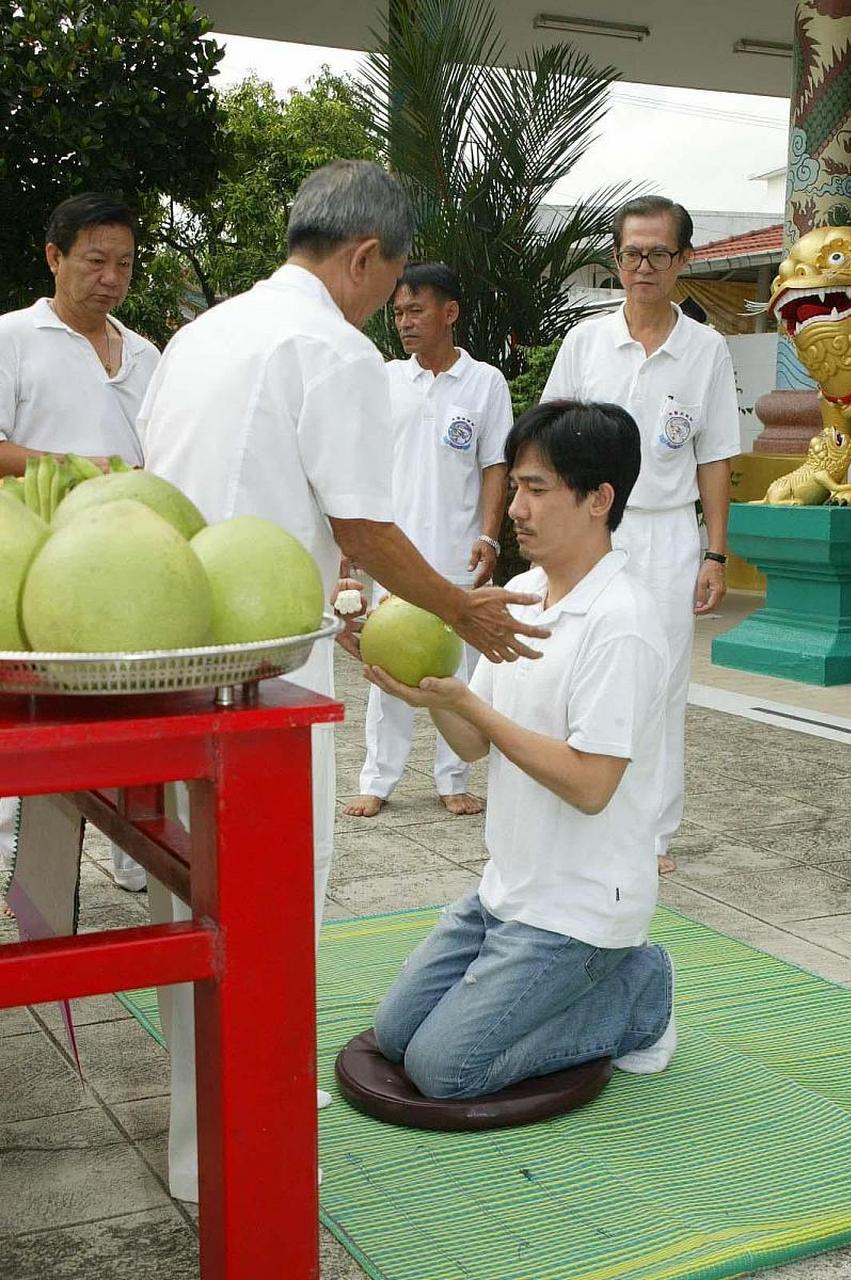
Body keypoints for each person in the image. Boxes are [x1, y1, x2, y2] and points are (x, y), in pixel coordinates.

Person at [138, 159, 547, 1202]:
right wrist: (458, 609)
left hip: (156, 638)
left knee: (192, 892)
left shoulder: (202, 331)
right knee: (272, 896)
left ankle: (199, 1124)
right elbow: (361, 522)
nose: (389, 305)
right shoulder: (331, 347)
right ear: (363, 255)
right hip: (257, 658)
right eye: (389, 282)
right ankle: (250, 1125)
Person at [367, 400, 675, 1098]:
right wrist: (437, 696)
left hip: (581, 911)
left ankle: (640, 996)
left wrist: (467, 702)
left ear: (598, 499)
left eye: (536, 489)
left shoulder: (620, 622)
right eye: (515, 488)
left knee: (445, 1071)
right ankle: (595, 985)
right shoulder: (523, 594)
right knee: (393, 1036)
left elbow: (591, 783)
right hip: (506, 893)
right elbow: (474, 742)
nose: (515, 508)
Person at [541, 196, 740, 876]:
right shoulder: (584, 342)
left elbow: (714, 455)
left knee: (657, 687)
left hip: (666, 537)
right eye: (632, 253)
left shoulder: (704, 349)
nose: (644, 267)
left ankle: (650, 833)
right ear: (616, 259)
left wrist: (714, 551)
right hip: (590, 536)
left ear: (682, 260)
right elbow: (548, 437)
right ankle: (576, 813)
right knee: (573, 671)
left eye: (659, 253)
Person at [0, 191, 159, 898]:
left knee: (133, 712)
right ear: (54, 257)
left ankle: (141, 861)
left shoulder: (147, 354)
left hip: (127, 561)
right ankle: (8, 864)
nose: (111, 277)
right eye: (95, 260)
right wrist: (69, 467)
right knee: (26, 717)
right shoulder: (12, 338)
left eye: (123, 263)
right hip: (31, 560)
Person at [346, 263, 513, 820]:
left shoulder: (485, 382)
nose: (404, 323)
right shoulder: (386, 379)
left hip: (456, 550)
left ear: (449, 313)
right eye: (397, 313)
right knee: (386, 661)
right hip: (393, 550)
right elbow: (362, 465)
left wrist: (489, 536)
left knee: (454, 667)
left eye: (415, 311)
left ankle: (452, 778)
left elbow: (495, 465)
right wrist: (352, 544)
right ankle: (378, 779)